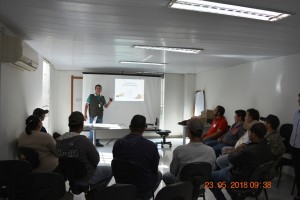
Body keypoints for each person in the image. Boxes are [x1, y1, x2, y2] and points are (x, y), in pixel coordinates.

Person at [210, 123, 274, 200]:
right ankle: (235, 197)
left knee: (209, 177)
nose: (247, 134)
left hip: (239, 181)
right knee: (223, 173)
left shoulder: (248, 151)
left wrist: (239, 149)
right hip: (255, 182)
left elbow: (231, 158)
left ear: (253, 134)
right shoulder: (268, 150)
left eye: (248, 132)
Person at [56, 111, 112, 186]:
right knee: (111, 170)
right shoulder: (84, 141)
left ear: (69, 124)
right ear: (82, 126)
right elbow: (96, 159)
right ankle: (95, 191)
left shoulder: (58, 141)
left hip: (70, 178)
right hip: (86, 177)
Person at [112, 114, 162, 199]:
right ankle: (143, 197)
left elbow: (117, 162)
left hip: (122, 182)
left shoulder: (118, 143)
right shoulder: (150, 146)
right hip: (141, 185)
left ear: (130, 127)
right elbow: (154, 168)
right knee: (159, 174)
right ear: (144, 128)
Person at [162, 118, 216, 185]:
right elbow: (211, 169)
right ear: (202, 133)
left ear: (189, 133)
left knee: (166, 176)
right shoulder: (211, 151)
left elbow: (173, 171)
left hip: (182, 184)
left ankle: (174, 193)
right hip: (201, 185)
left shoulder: (179, 150)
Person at [290, 93, 300, 200]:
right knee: (297, 171)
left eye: (299, 99)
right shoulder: (297, 113)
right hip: (294, 146)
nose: (298, 101)